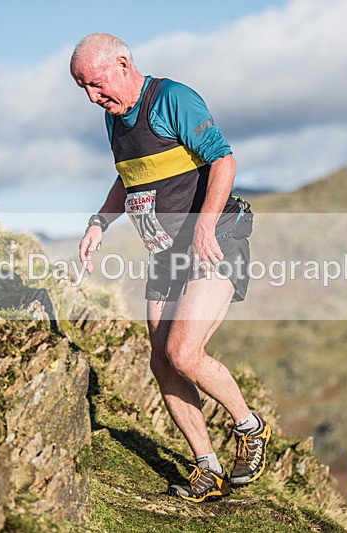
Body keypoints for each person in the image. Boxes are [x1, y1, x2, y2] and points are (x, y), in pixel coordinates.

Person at [70, 33, 271, 503]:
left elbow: (224, 160)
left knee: (183, 352)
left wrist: (204, 227)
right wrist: (100, 222)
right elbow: (129, 177)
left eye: (96, 84)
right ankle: (208, 468)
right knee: (162, 361)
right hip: (165, 253)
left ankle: (250, 427)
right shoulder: (113, 117)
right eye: (83, 88)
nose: (92, 97)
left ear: (123, 64)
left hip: (215, 241)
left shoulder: (172, 98)